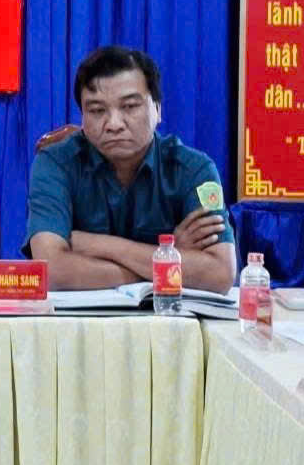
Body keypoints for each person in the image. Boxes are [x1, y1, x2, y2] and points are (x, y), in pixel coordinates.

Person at [24, 45, 236, 292]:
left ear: (157, 109)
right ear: (82, 116)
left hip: (166, 313)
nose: (114, 124)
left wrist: (98, 245)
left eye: (130, 107)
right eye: (97, 110)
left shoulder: (193, 170)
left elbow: (220, 274)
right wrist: (167, 260)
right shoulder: (56, 163)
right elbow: (53, 271)